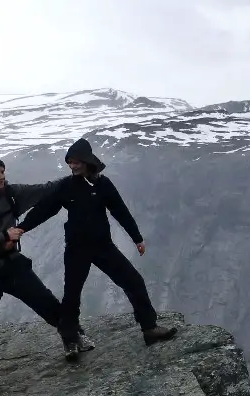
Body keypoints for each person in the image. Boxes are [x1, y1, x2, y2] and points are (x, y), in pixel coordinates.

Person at [16, 138, 177, 355]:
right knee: (72, 295)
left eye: (76, 162)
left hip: (103, 247)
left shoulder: (103, 185)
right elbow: (45, 209)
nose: (72, 167)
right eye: (69, 163)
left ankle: (150, 328)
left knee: (134, 282)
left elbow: (120, 210)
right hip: (76, 249)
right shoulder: (66, 186)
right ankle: (71, 342)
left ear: (87, 161)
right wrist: (23, 228)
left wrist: (136, 238)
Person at [0, 154, 92, 390]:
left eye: (2, 172)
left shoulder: (12, 193)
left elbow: (45, 190)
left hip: (11, 264)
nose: (1, 177)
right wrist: (4, 236)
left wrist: (73, 178)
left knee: (45, 302)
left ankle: (73, 337)